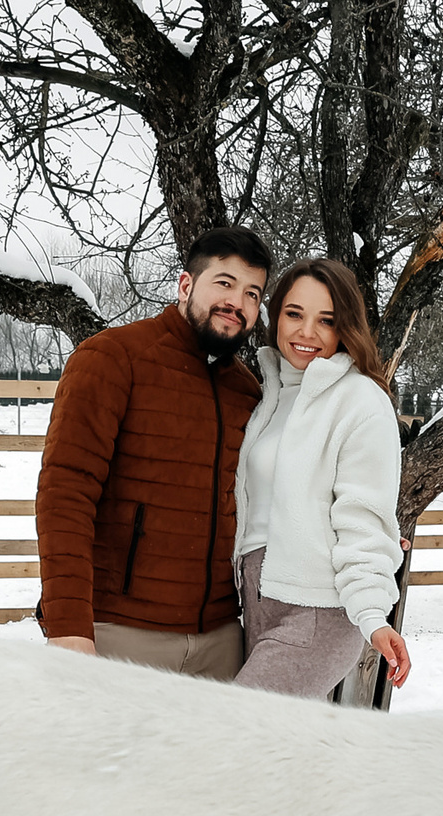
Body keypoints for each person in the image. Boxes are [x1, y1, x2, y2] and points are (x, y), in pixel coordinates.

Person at [34, 226, 275, 678]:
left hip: (221, 638)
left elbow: (273, 496)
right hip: (119, 632)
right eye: (223, 283)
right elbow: (65, 495)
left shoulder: (247, 392)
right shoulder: (111, 358)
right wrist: (68, 627)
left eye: (252, 293)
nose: (237, 302)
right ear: (186, 285)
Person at [231, 257, 413, 695]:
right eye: (294, 314)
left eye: (325, 320)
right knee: (272, 751)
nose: (306, 332)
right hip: (257, 602)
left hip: (318, 611)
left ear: (344, 328)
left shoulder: (360, 402)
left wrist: (373, 615)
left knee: (229, 734)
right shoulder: (271, 395)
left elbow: (363, 519)